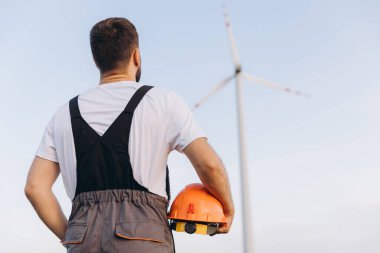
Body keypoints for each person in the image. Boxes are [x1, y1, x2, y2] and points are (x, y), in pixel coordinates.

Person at [24, 17, 234, 252]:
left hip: (82, 238)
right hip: (143, 237)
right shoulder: (162, 101)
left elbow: (35, 187)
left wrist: (73, 236)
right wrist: (227, 208)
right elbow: (209, 165)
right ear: (136, 56)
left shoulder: (63, 115)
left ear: (96, 61)